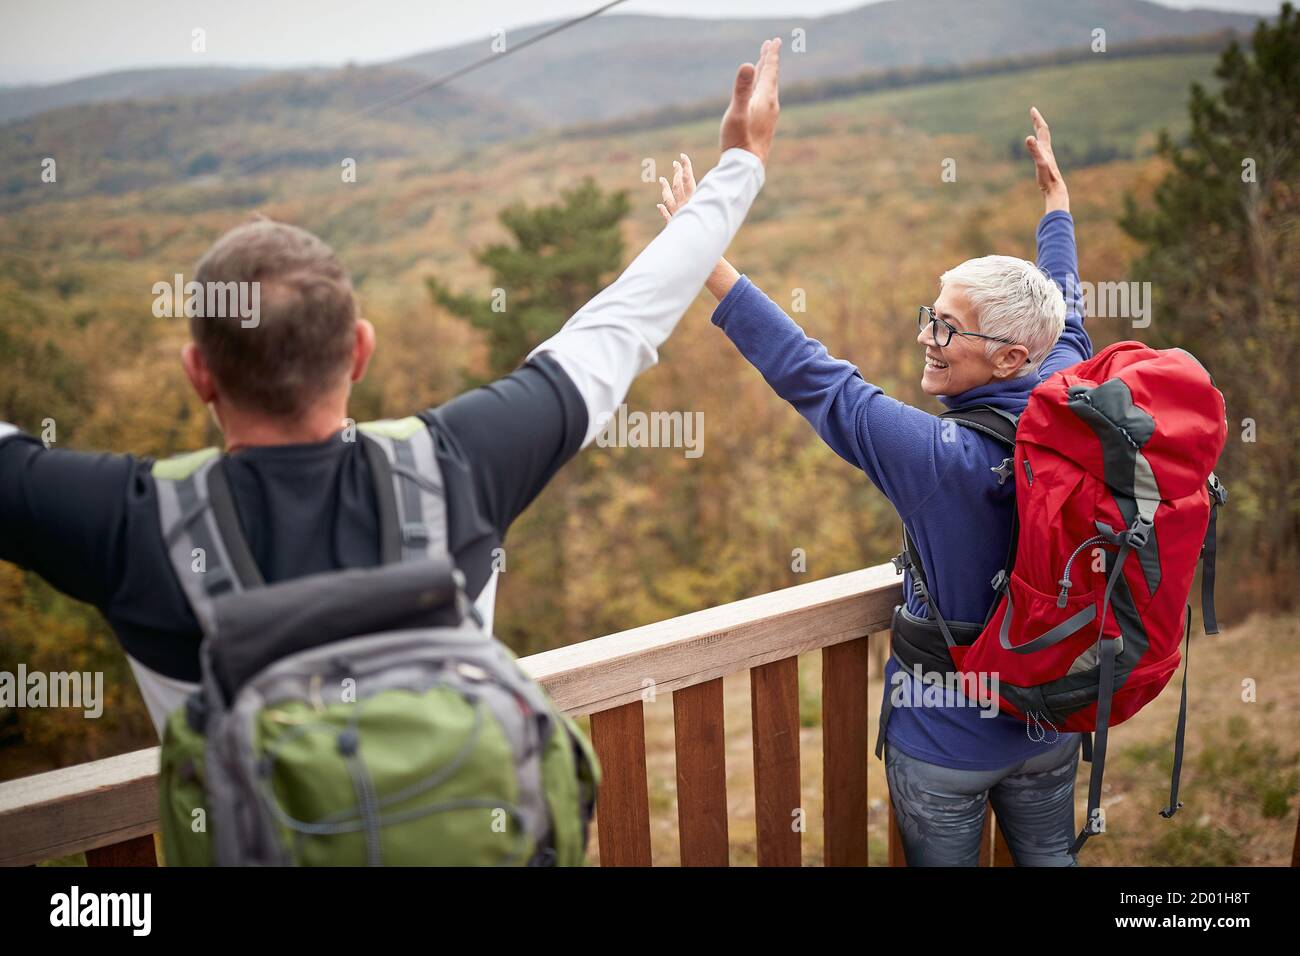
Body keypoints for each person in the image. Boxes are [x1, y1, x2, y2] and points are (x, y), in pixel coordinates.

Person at [0, 39, 783, 739]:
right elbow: (624, 320)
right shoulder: (456, 466)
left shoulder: (127, 526)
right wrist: (741, 165)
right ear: (361, 351)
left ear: (197, 372)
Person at [655, 107, 1093, 866]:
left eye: (950, 328)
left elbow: (814, 377)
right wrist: (1056, 206)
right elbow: (1065, 293)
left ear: (1011, 358)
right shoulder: (1068, 377)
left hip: (945, 743)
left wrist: (706, 257)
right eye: (933, 314)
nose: (927, 336)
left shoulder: (936, 455)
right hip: (1050, 725)